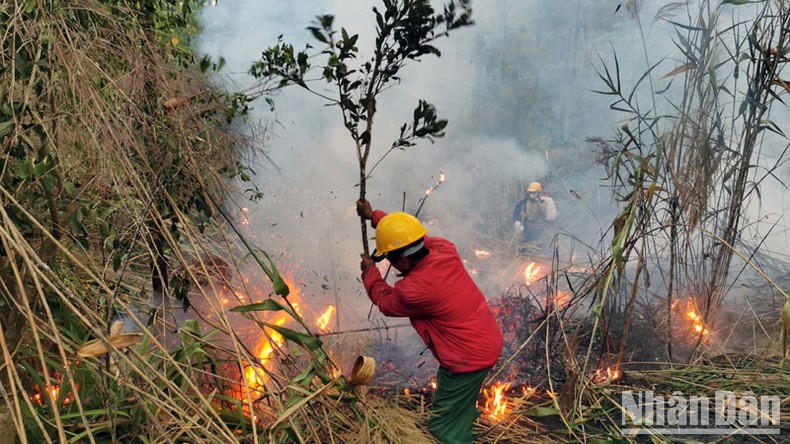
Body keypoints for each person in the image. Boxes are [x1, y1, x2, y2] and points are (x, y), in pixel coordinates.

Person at [357, 199, 503, 444]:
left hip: (468, 358)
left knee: (443, 428)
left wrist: (370, 271)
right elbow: (407, 235)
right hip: (485, 338)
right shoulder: (444, 249)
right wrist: (374, 216)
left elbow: (384, 301)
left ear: (401, 261)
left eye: (390, 260)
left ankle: (456, 435)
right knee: (458, 404)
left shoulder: (415, 290)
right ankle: (462, 417)